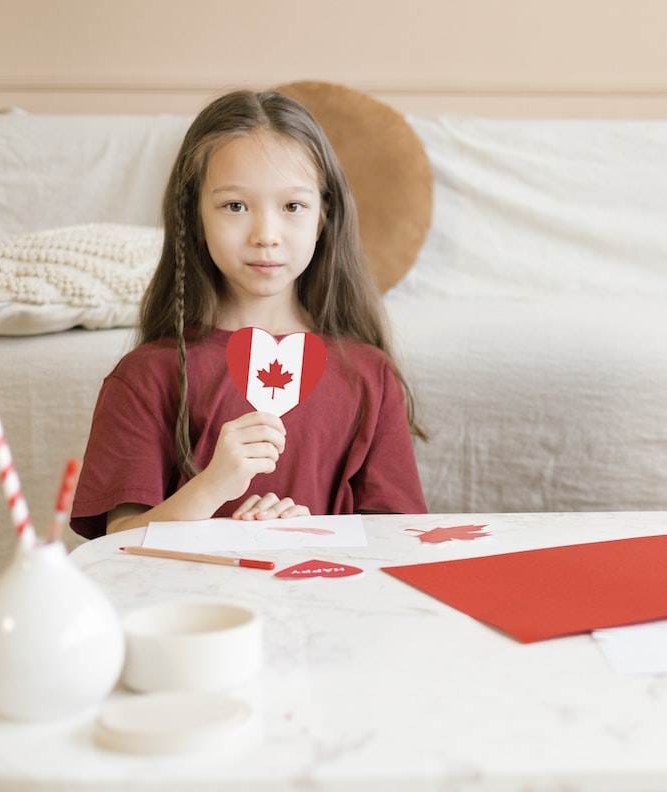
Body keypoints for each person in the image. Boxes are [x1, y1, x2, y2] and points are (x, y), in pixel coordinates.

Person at [71, 90, 426, 539]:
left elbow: (401, 541)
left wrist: (311, 535)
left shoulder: (369, 376)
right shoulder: (145, 377)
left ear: (323, 216)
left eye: (292, 206)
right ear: (193, 214)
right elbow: (118, 543)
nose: (266, 235)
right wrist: (213, 487)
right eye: (235, 206)